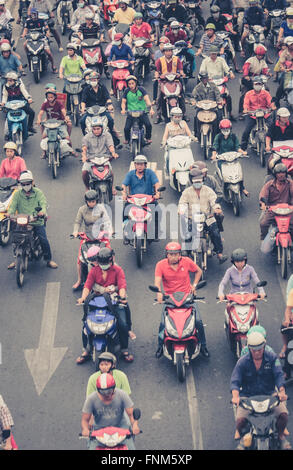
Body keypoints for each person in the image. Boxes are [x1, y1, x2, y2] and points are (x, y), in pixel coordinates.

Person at [231, 331, 291, 450]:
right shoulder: (242, 362)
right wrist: (235, 396)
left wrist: (282, 391)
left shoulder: (272, 358)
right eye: (254, 350)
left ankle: (280, 436)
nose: (257, 352)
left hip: (269, 394)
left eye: (259, 349)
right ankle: (244, 437)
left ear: (264, 346)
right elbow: (235, 380)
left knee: (283, 415)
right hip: (247, 396)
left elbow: (279, 375)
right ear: (249, 348)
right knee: (240, 421)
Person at [77, 247, 135, 362]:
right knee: (86, 325)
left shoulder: (118, 270)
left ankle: (124, 349)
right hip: (97, 300)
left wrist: (122, 297)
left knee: (122, 323)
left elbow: (122, 286)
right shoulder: (94, 270)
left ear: (111, 259)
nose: (103, 265)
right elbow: (87, 286)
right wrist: (83, 298)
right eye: (101, 263)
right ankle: (86, 350)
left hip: (114, 300)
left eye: (106, 263)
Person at [154, 241, 209, 357]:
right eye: (170, 254)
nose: (173, 257)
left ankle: (203, 346)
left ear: (180, 255)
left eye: (176, 254)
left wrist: (194, 285)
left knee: (198, 321)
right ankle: (160, 346)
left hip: (187, 297)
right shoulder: (160, 265)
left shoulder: (187, 262)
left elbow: (198, 271)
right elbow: (157, 281)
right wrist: (159, 292)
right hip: (170, 299)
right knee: (163, 324)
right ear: (166, 254)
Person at [7, 170, 58, 269]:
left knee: (43, 239)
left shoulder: (38, 193)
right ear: (21, 184)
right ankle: (16, 259)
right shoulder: (17, 194)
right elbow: (12, 206)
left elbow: (43, 204)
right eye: (23, 184)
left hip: (36, 220)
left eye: (28, 183)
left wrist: (42, 212)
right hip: (22, 221)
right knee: (16, 238)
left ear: (32, 182)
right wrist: (10, 213)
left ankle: (48, 260)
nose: (26, 185)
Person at [178, 168, 228, 263]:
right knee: (187, 234)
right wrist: (181, 210)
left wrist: (217, 208)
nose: (198, 183)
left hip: (207, 217)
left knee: (215, 233)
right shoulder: (187, 192)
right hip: (192, 218)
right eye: (195, 182)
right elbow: (182, 203)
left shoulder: (208, 190)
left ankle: (219, 253)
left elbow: (214, 201)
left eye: (200, 181)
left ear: (203, 180)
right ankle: (186, 254)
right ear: (191, 181)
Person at [81, 373, 140, 450]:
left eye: (109, 391)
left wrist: (135, 425)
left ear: (114, 388)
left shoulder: (122, 395)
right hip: (100, 431)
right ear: (98, 390)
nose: (106, 395)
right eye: (103, 392)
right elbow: (85, 420)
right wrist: (85, 429)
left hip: (121, 428)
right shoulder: (91, 399)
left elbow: (131, 414)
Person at [72, 189, 113, 291]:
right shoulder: (82, 209)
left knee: (110, 254)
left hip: (100, 235)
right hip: (87, 236)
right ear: (86, 201)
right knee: (80, 259)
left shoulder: (101, 208)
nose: (91, 203)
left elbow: (107, 221)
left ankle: (112, 276)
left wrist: (110, 231)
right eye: (89, 201)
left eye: (93, 201)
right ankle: (79, 280)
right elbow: (77, 222)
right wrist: (75, 231)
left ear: (96, 200)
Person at [121, 154, 162, 242]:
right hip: (133, 200)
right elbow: (124, 185)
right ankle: (126, 233)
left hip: (149, 200)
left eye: (141, 164)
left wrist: (157, 193)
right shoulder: (130, 174)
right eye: (137, 164)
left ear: (145, 165)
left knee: (158, 212)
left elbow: (156, 184)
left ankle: (155, 233)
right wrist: (124, 193)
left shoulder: (150, 173)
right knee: (124, 213)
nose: (139, 166)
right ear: (135, 165)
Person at [80, 71, 119, 146]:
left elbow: (107, 97)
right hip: (90, 111)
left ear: (98, 80)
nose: (93, 81)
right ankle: (85, 138)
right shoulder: (86, 89)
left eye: (94, 80)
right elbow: (83, 101)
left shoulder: (102, 87)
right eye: (91, 80)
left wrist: (110, 105)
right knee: (82, 121)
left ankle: (112, 137)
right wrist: (82, 108)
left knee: (110, 120)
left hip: (102, 110)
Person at [37, 85, 75, 159]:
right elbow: (40, 113)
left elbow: (64, 111)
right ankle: (44, 152)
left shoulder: (59, 103)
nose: (50, 99)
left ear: (55, 97)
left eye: (51, 97)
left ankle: (71, 150)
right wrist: (39, 119)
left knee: (67, 138)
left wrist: (66, 117)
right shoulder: (45, 104)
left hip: (59, 123)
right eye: (48, 97)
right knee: (43, 138)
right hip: (49, 123)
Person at [81, 118, 118, 191]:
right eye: (94, 129)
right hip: (91, 159)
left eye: (98, 129)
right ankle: (87, 187)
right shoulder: (87, 137)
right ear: (92, 129)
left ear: (102, 128)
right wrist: (84, 156)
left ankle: (112, 187)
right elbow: (84, 148)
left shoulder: (107, 135)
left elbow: (110, 146)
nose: (96, 131)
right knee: (84, 172)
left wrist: (113, 153)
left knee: (110, 171)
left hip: (104, 158)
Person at [259, 162, 293, 240]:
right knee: (263, 223)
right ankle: (263, 238)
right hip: (273, 210)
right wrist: (263, 204)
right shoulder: (269, 184)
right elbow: (263, 195)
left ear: (286, 173)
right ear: (275, 174)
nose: (281, 175)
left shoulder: (290, 183)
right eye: (279, 173)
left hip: (288, 210)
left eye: (283, 173)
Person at [154, 43, 187, 124]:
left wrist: (182, 74)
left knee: (181, 96)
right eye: (166, 51)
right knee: (159, 98)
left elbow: (181, 70)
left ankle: (184, 114)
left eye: (170, 51)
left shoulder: (177, 59)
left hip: (175, 80)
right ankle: (158, 115)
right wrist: (157, 76)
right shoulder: (159, 60)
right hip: (164, 81)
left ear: (172, 51)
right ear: (163, 52)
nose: (168, 53)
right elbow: (156, 71)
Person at [241, 76, 275, 152]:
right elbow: (246, 103)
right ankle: (243, 147)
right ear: (253, 85)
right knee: (247, 130)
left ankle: (274, 145)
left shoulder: (266, 93)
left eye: (259, 84)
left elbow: (270, 101)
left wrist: (272, 106)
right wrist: (246, 109)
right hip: (252, 114)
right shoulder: (248, 94)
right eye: (256, 84)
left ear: (262, 84)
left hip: (264, 113)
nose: (258, 85)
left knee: (272, 127)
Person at [199, 46, 234, 116]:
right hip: (209, 83)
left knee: (228, 96)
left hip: (220, 82)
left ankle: (230, 113)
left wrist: (230, 73)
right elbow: (201, 71)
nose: (213, 55)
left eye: (215, 54)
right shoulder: (205, 61)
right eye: (212, 54)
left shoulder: (221, 60)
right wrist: (205, 78)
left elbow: (226, 68)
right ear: (209, 53)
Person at [22, 8, 58, 73]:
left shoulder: (41, 20)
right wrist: (23, 35)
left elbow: (46, 27)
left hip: (41, 38)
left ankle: (53, 66)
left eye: (35, 14)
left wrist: (47, 33)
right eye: (32, 14)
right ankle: (29, 56)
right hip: (31, 38)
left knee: (48, 52)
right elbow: (25, 29)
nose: (33, 15)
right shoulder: (28, 21)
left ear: (37, 14)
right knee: (24, 45)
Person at [121, 75, 154, 145]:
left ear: (136, 83)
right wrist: (123, 109)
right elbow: (123, 102)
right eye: (129, 84)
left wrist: (151, 109)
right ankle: (127, 139)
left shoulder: (141, 89)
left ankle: (148, 138)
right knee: (126, 128)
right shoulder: (126, 91)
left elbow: (147, 100)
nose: (131, 85)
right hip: (131, 112)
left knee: (148, 125)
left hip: (142, 111)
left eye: (133, 83)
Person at [0, 71, 36, 136]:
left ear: (15, 80)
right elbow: (4, 95)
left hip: (21, 103)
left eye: (11, 80)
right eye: (8, 80)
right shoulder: (5, 86)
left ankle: (29, 127)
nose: (9, 82)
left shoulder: (20, 85)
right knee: (7, 118)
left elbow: (24, 92)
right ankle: (7, 133)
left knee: (32, 113)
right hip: (10, 104)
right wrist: (3, 103)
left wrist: (28, 98)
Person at [191, 71, 223, 141]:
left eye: (206, 78)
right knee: (196, 116)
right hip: (202, 107)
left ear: (208, 78)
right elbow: (193, 96)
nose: (205, 80)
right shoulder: (197, 88)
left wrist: (219, 101)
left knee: (219, 116)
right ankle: (196, 133)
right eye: (203, 78)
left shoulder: (213, 85)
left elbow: (217, 94)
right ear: (201, 79)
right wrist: (194, 102)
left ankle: (219, 133)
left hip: (212, 107)